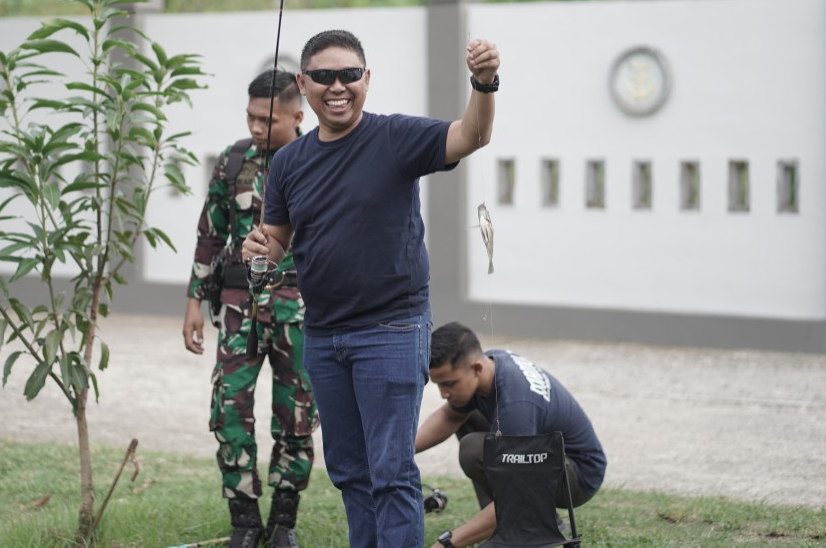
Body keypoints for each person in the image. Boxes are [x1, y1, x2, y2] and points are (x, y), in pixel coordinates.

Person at [242, 29, 499, 547]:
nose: (337, 86)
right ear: (303, 83)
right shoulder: (289, 162)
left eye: (349, 75)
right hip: (324, 335)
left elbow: (472, 135)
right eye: (323, 76)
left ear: (366, 79)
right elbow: (276, 244)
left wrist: (484, 82)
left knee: (391, 470)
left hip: (392, 329)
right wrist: (258, 253)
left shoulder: (395, 138)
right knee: (350, 472)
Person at [183, 70, 319, 548]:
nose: (257, 127)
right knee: (229, 412)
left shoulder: (321, 160)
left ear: (298, 116)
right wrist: (194, 303)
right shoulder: (234, 159)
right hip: (239, 309)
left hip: (301, 310)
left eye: (267, 119)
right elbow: (209, 234)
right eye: (250, 117)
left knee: (297, 418)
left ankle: (284, 522)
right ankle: (244, 522)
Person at [415, 322, 607, 548]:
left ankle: (516, 529)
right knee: (468, 417)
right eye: (438, 384)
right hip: (544, 455)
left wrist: (447, 544)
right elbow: (450, 417)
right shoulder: (491, 364)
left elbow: (518, 496)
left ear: (476, 369)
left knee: (473, 450)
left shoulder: (515, 407)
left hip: (578, 475)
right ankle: (510, 525)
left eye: (449, 384)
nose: (443, 393)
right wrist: (401, 453)